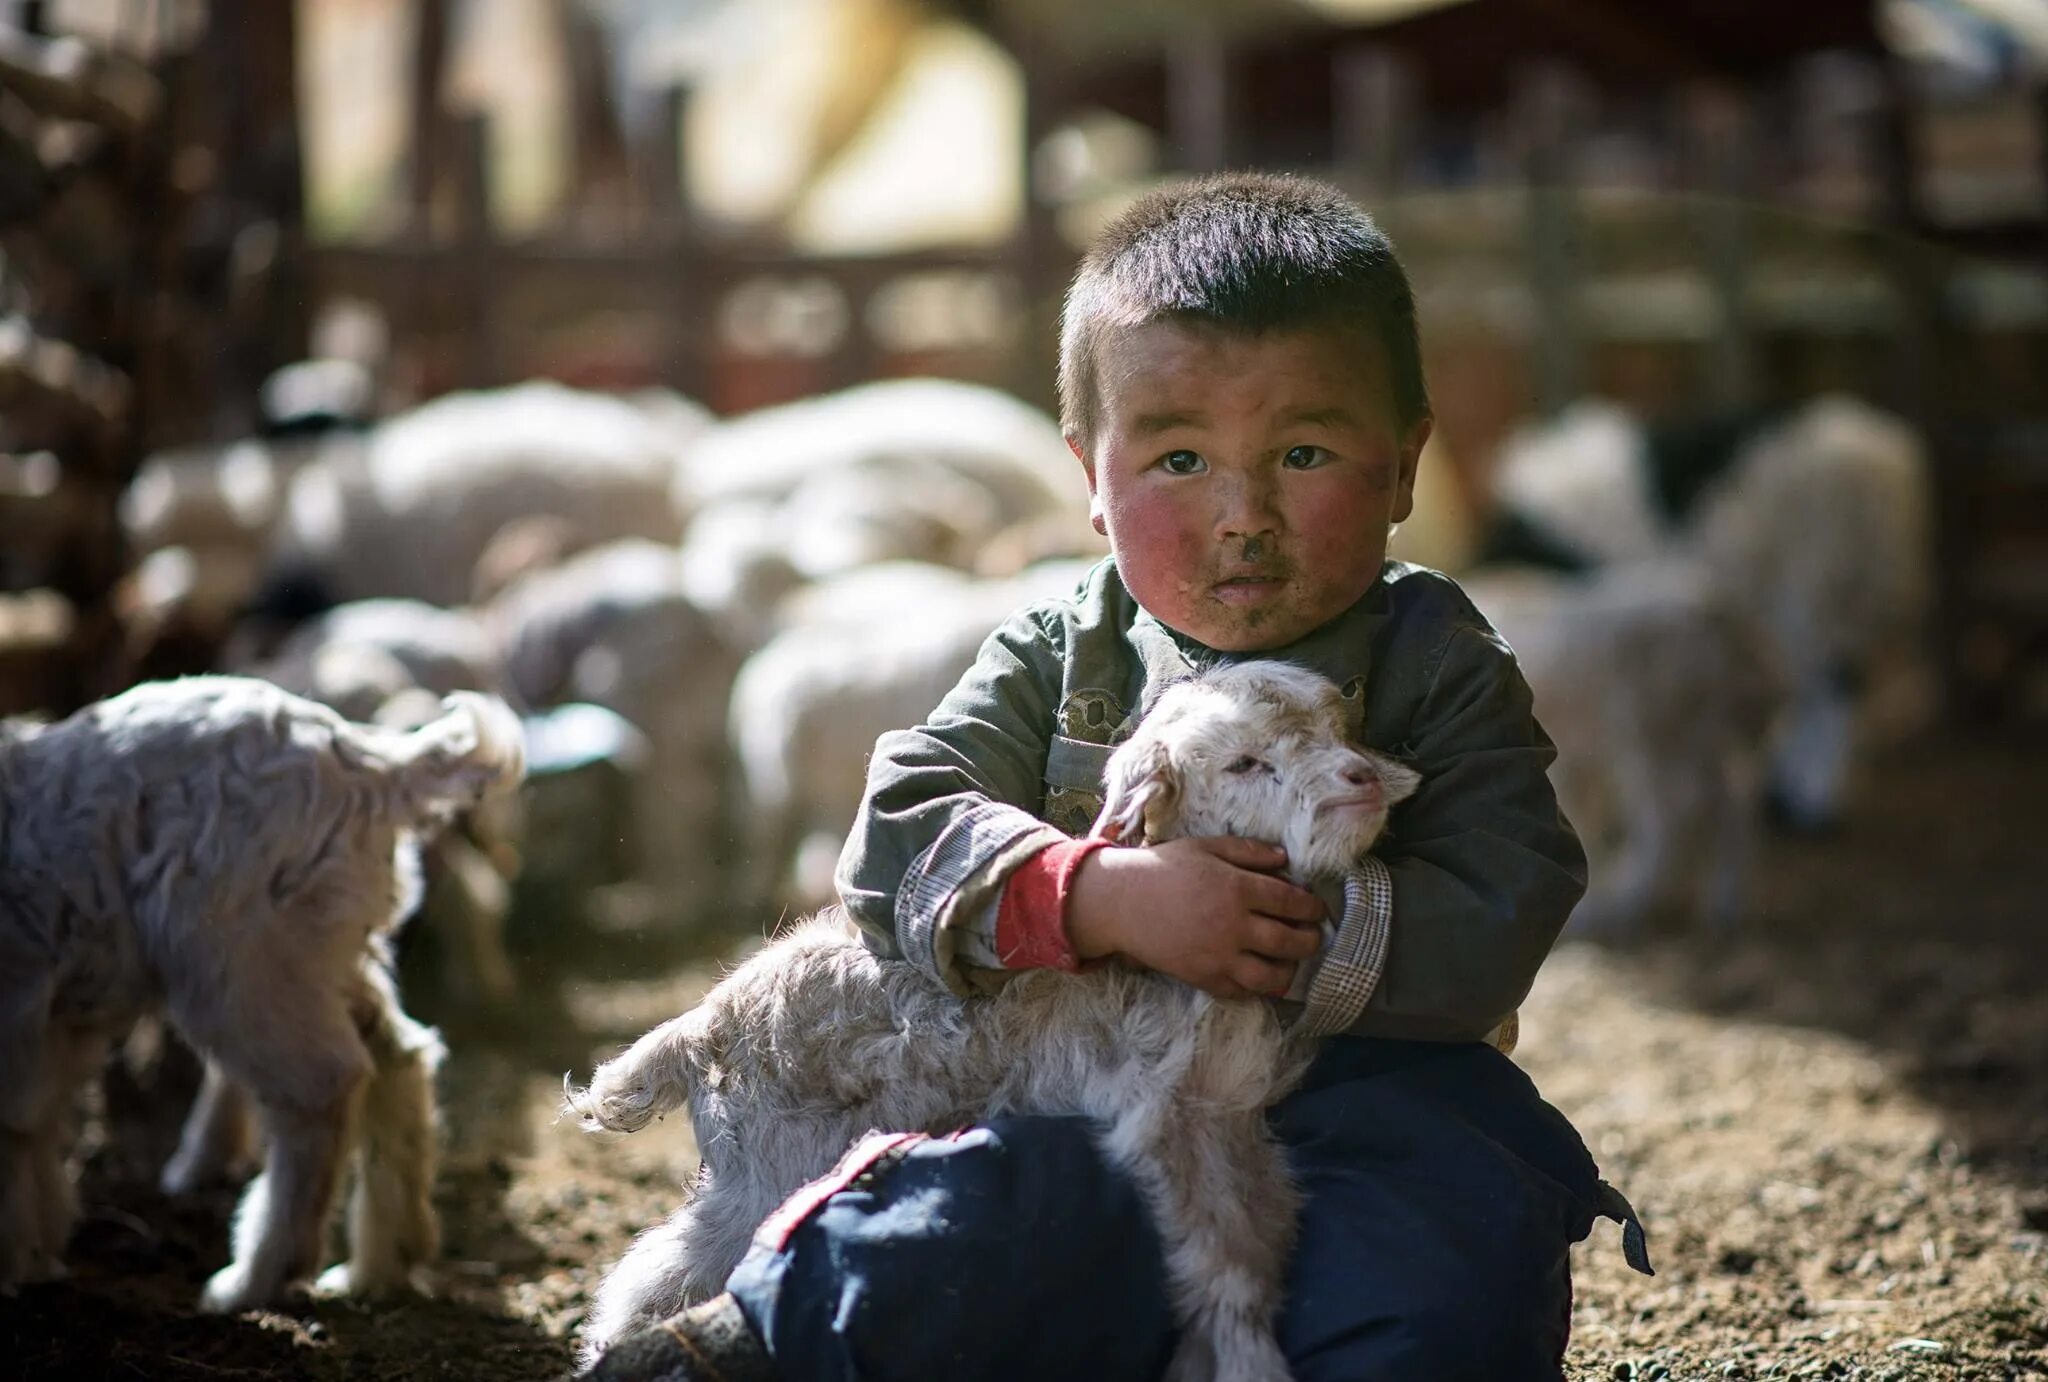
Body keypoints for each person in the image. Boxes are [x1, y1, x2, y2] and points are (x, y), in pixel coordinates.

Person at [583, 171, 1649, 1382]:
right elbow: (898, 829)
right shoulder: (1055, 653)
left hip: (1372, 1100)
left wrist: (1277, 937)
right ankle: (749, 1341)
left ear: (1403, 466)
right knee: (965, 1219)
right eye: (1179, 457)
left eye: (1302, 451)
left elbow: (1509, 888)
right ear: (1088, 476)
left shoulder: (1439, 658)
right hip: (1092, 1104)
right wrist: (1100, 898)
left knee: (1435, 1284)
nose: (1242, 514)